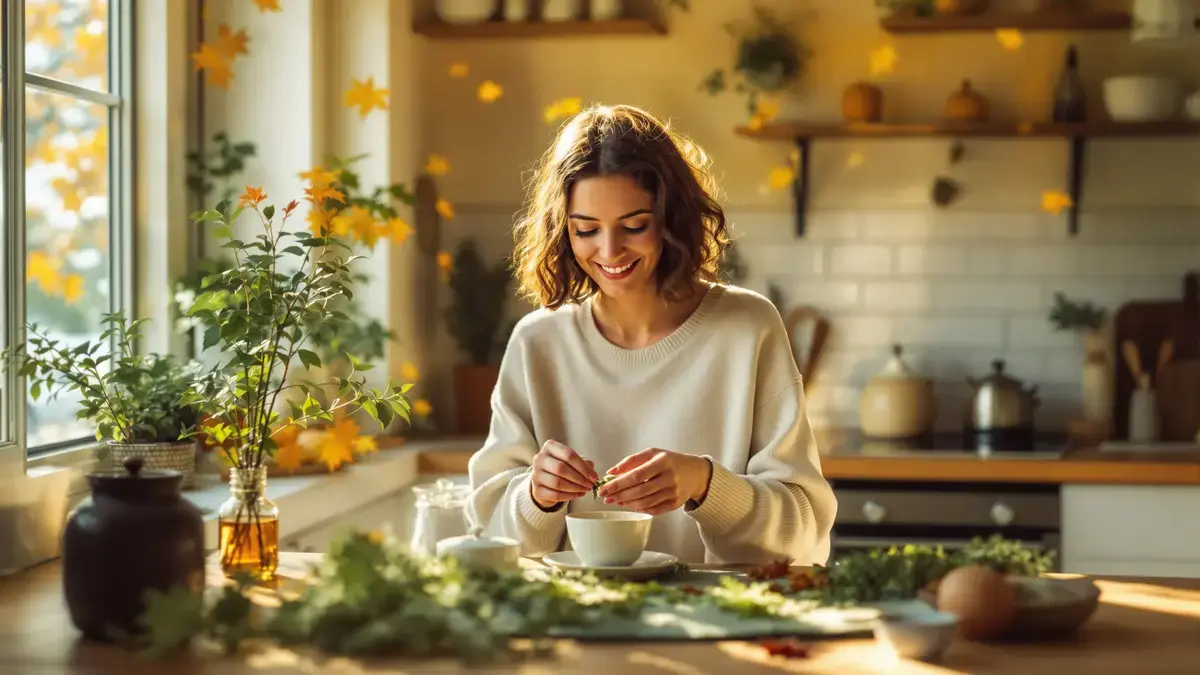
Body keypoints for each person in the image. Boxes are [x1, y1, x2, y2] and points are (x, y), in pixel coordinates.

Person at [467, 104, 837, 565]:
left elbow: (803, 534)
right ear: (564, 231)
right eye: (586, 230)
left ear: (671, 218)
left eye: (634, 226)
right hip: (574, 609)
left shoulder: (747, 328)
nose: (609, 251)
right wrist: (535, 497)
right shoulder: (538, 342)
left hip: (717, 607)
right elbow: (491, 535)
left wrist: (707, 485)